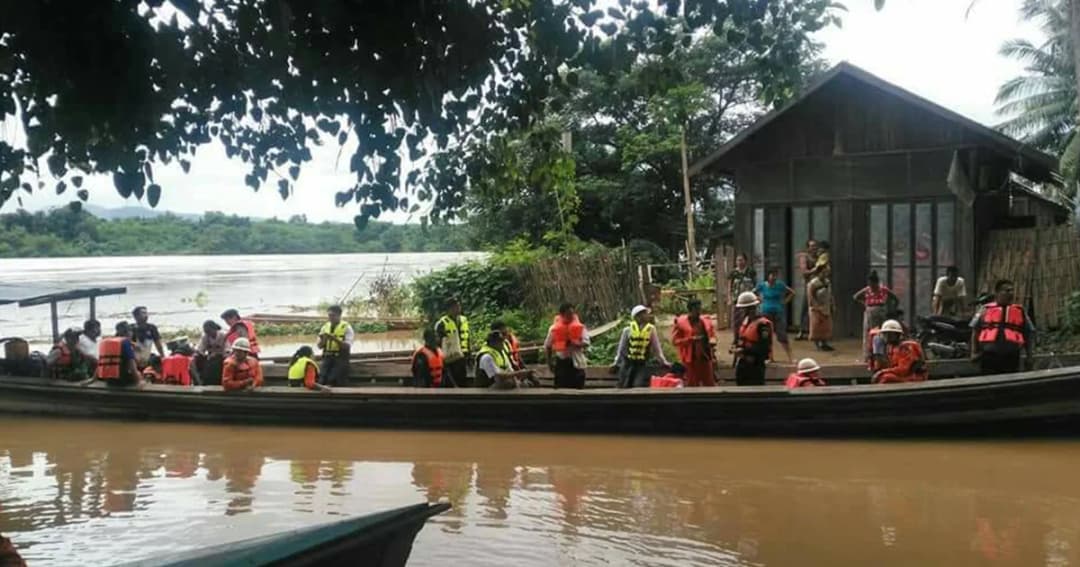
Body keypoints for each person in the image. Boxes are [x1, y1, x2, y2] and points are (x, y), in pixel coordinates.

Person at [970, 279, 1035, 375]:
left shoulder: (1020, 311)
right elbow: (975, 331)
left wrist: (1029, 357)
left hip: (1011, 357)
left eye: (1012, 290)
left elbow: (1028, 334)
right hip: (989, 356)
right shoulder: (985, 310)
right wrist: (974, 352)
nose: (1011, 293)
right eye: (1007, 291)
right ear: (997, 293)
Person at [612, 305, 670, 388]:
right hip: (627, 364)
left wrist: (664, 362)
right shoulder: (627, 330)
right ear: (637, 317)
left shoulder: (651, 330)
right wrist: (616, 363)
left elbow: (657, 350)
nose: (647, 316)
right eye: (644, 314)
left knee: (638, 385)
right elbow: (621, 349)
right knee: (623, 385)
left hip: (642, 364)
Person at [672, 298, 718, 387]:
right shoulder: (680, 323)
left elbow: (713, 336)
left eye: (699, 309)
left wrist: (713, 341)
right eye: (696, 309)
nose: (698, 312)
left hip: (705, 357)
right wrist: (690, 339)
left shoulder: (706, 322)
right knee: (691, 384)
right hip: (690, 359)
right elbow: (675, 341)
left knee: (709, 383)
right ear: (690, 310)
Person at [544, 302, 590, 389]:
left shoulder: (581, 327)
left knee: (579, 392)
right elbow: (548, 346)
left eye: (572, 313)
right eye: (568, 314)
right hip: (562, 363)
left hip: (577, 363)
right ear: (562, 314)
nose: (571, 316)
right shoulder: (554, 328)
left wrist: (574, 343)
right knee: (561, 391)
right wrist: (549, 363)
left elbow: (586, 342)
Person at [731, 292, 773, 386]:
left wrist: (744, 350)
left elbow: (764, 348)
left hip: (755, 364)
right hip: (743, 362)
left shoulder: (763, 325)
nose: (742, 311)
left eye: (744, 309)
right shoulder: (746, 322)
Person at [754, 267, 794, 362]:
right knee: (767, 335)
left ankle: (790, 357)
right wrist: (759, 300)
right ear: (768, 276)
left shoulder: (780, 285)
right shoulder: (762, 285)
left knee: (781, 334)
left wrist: (784, 301)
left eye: (775, 275)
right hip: (766, 312)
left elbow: (792, 292)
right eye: (772, 275)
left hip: (778, 311)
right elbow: (753, 292)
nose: (773, 277)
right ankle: (770, 357)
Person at [854, 271, 897, 354]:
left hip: (881, 313)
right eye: (869, 284)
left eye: (872, 284)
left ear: (876, 282)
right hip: (870, 313)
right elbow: (856, 297)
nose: (871, 286)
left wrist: (892, 309)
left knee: (881, 333)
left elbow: (895, 298)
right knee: (869, 333)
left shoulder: (883, 289)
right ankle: (869, 354)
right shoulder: (867, 289)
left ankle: (882, 352)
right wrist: (865, 303)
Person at [872, 319, 928, 384]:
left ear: (897, 334)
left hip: (915, 377)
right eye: (885, 334)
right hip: (904, 375)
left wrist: (882, 372)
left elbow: (903, 370)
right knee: (882, 377)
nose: (887, 337)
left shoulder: (907, 347)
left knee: (886, 378)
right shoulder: (891, 347)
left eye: (890, 334)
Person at [435, 298, 471, 387]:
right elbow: (438, 343)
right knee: (451, 383)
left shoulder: (463, 320)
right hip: (450, 359)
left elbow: (467, 337)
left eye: (458, 305)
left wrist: (469, 354)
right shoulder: (441, 323)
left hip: (463, 356)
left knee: (463, 381)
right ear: (449, 309)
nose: (458, 308)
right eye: (455, 306)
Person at [317, 305, 354, 387]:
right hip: (327, 358)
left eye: (333, 315)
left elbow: (347, 346)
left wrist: (334, 339)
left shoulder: (347, 328)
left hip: (340, 359)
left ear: (339, 315)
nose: (330, 318)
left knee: (333, 380)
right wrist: (324, 340)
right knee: (321, 380)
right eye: (329, 315)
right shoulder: (325, 327)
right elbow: (319, 346)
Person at [97, 321, 142, 388]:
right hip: (123, 381)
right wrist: (139, 383)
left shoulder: (107, 342)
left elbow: (100, 363)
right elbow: (133, 368)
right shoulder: (126, 343)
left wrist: (93, 379)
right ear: (129, 332)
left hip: (109, 380)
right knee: (141, 375)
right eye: (131, 331)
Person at [728, 253, 757, 341]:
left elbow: (755, 284)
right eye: (738, 260)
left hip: (750, 299)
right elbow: (729, 286)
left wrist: (756, 296)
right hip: (737, 300)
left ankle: (751, 336)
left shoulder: (751, 271)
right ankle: (736, 338)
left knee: (751, 319)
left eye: (741, 260)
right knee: (737, 320)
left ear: (745, 261)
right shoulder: (733, 273)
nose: (739, 262)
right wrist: (729, 298)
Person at [795, 239, 819, 340]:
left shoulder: (819, 257)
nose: (813, 248)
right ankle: (801, 330)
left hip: (819, 285)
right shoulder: (804, 257)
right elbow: (804, 271)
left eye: (815, 246)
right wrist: (816, 269)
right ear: (808, 247)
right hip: (809, 284)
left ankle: (817, 330)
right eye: (811, 246)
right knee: (806, 307)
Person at [807, 267, 835, 352]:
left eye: (826, 272)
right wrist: (816, 306)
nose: (825, 274)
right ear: (818, 273)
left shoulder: (827, 282)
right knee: (816, 326)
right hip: (816, 307)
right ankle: (817, 344)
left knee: (826, 326)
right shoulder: (813, 283)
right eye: (823, 272)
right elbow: (810, 296)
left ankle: (824, 343)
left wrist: (832, 304)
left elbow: (830, 294)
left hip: (826, 306)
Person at [196, 319, 227, 386]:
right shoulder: (205, 337)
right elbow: (200, 349)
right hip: (210, 358)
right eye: (206, 332)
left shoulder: (223, 335)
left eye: (209, 331)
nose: (208, 334)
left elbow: (227, 349)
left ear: (214, 329)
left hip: (222, 357)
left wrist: (218, 355)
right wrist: (201, 354)